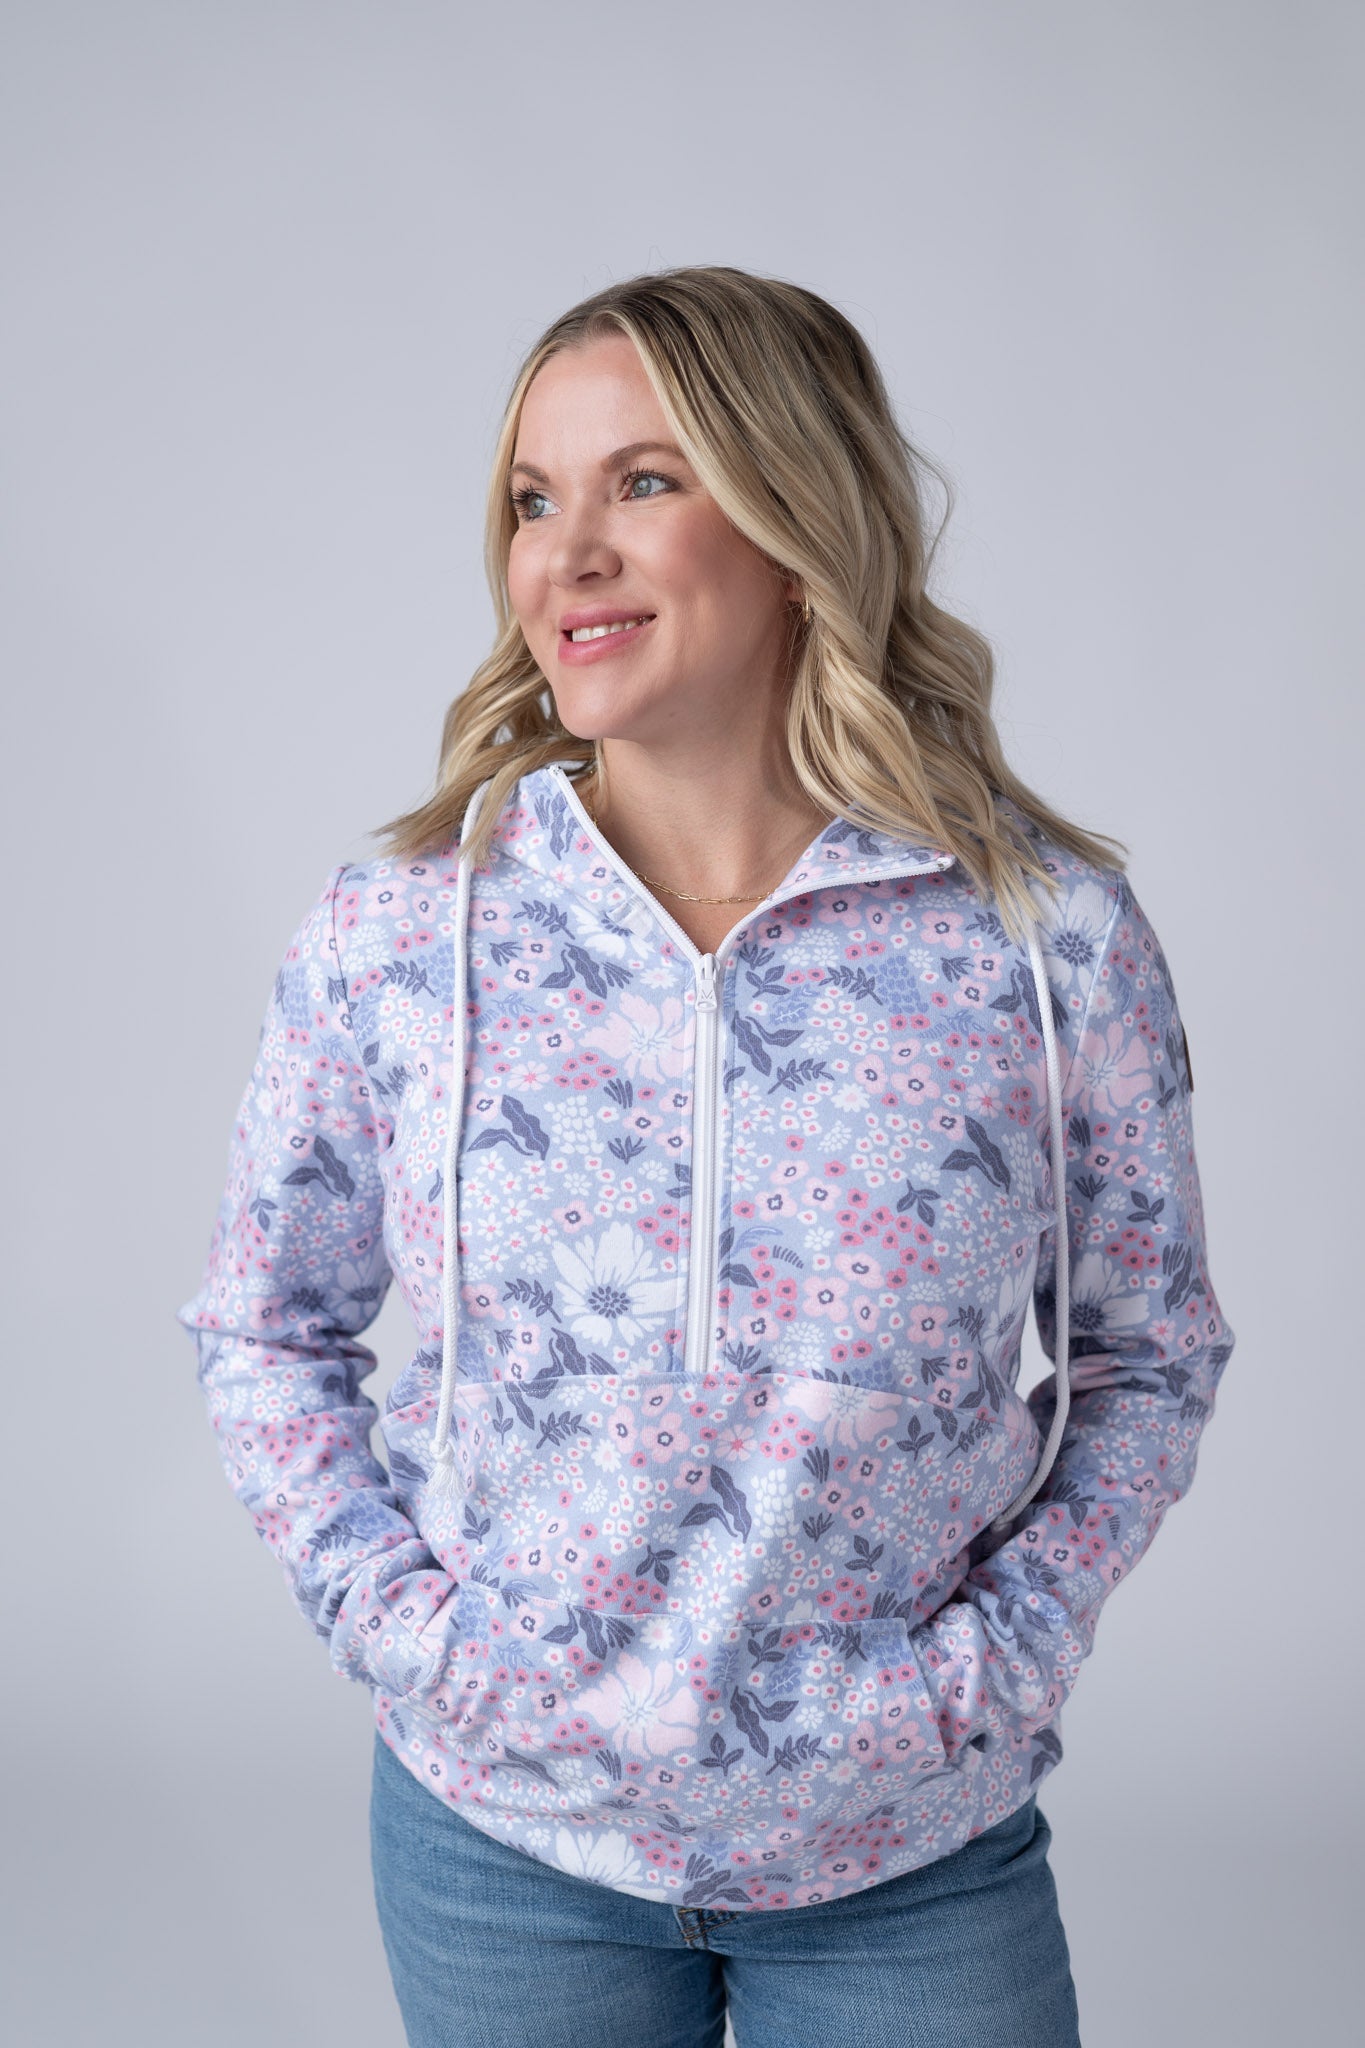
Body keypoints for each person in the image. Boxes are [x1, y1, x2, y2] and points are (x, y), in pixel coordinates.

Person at [177, 265, 1234, 2048]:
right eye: (534, 501)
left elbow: (1149, 1354)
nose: (566, 554)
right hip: (503, 1847)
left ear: (797, 525)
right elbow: (264, 1327)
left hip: (907, 1848)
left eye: (644, 482)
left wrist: (995, 1664)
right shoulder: (399, 933)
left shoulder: (1041, 940)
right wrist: (415, 1639)